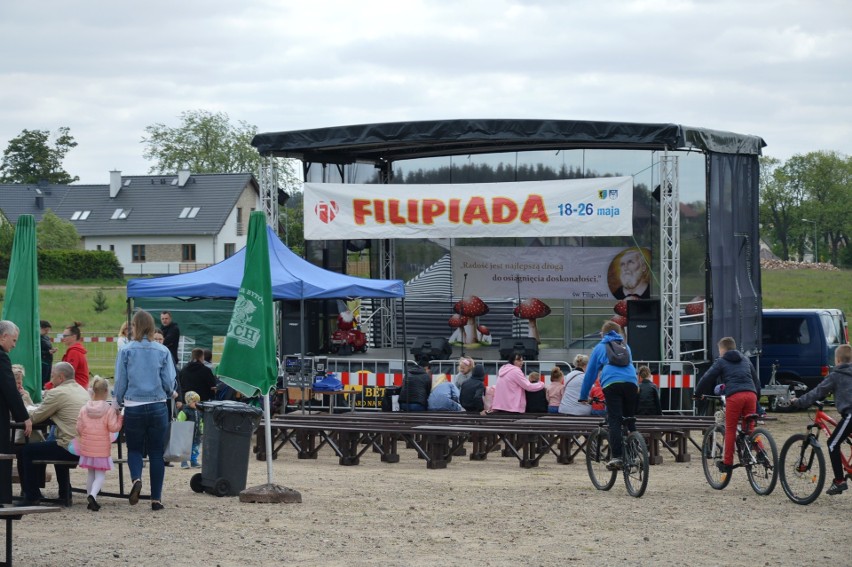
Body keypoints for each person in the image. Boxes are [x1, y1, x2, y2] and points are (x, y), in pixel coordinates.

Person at [114, 309, 177, 512]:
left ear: (135, 326)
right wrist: (169, 392)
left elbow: (121, 381)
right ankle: (156, 499)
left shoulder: (126, 350)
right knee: (157, 452)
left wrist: (118, 401)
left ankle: (136, 478)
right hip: (158, 404)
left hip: (134, 406)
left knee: (134, 449)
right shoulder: (162, 351)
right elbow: (169, 381)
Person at [19, 361, 89, 506]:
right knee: (56, 443)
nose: (51, 380)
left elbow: (35, 417)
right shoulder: (82, 390)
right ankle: (64, 493)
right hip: (87, 446)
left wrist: (24, 403)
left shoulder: (57, 393)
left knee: (26, 451)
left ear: (61, 377)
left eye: (52, 376)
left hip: (71, 447)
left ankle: (31, 496)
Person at [791, 343, 852, 495]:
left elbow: (817, 392)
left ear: (837, 360)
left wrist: (799, 402)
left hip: (851, 415)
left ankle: (839, 481)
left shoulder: (836, 375)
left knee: (832, 444)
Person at [694, 336, 760, 475]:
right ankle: (760, 452)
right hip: (751, 395)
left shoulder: (721, 361)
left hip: (735, 396)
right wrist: (757, 398)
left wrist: (697, 393)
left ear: (723, 349)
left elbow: (707, 377)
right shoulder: (746, 359)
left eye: (719, 350)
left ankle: (727, 463)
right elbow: (756, 381)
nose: (719, 352)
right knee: (750, 429)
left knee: (730, 429)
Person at [578, 320, 638, 470]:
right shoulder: (626, 346)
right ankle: (636, 454)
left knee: (615, 420)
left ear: (602, 334)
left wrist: (583, 396)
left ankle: (617, 457)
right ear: (619, 333)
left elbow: (590, 374)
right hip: (631, 382)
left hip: (612, 384)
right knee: (629, 419)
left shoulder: (600, 347)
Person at [75, 376, 123, 511]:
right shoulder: (108, 409)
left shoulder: (84, 408)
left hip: (87, 446)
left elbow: (78, 428)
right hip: (101, 448)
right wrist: (120, 417)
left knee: (91, 473)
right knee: (100, 474)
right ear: (107, 391)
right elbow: (113, 428)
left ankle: (90, 498)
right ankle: (93, 495)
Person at [0, 321, 33, 504]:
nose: (14, 345)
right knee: (2, 456)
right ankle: (3, 496)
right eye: (13, 340)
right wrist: (24, 417)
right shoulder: (2, 357)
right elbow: (10, 390)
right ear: (4, 336)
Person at [60, 321, 90, 389]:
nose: (63, 338)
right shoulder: (76, 350)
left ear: (74, 337)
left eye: (65, 336)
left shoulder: (74, 352)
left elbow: (68, 373)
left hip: (76, 387)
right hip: (79, 386)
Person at [177, 391, 202, 469]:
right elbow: (180, 421)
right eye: (194, 401)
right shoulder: (184, 411)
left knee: (195, 448)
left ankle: (193, 461)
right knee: (185, 448)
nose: (196, 403)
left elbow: (201, 421)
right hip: (186, 434)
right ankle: (184, 462)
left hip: (196, 434)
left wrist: (202, 430)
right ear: (188, 402)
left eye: (198, 401)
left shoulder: (198, 411)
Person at [40, 319, 56, 386]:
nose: (47, 332)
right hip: (42, 362)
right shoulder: (36, 338)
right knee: (42, 380)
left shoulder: (46, 337)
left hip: (48, 362)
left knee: (47, 380)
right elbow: (37, 351)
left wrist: (51, 350)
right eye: (45, 330)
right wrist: (47, 352)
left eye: (48, 330)